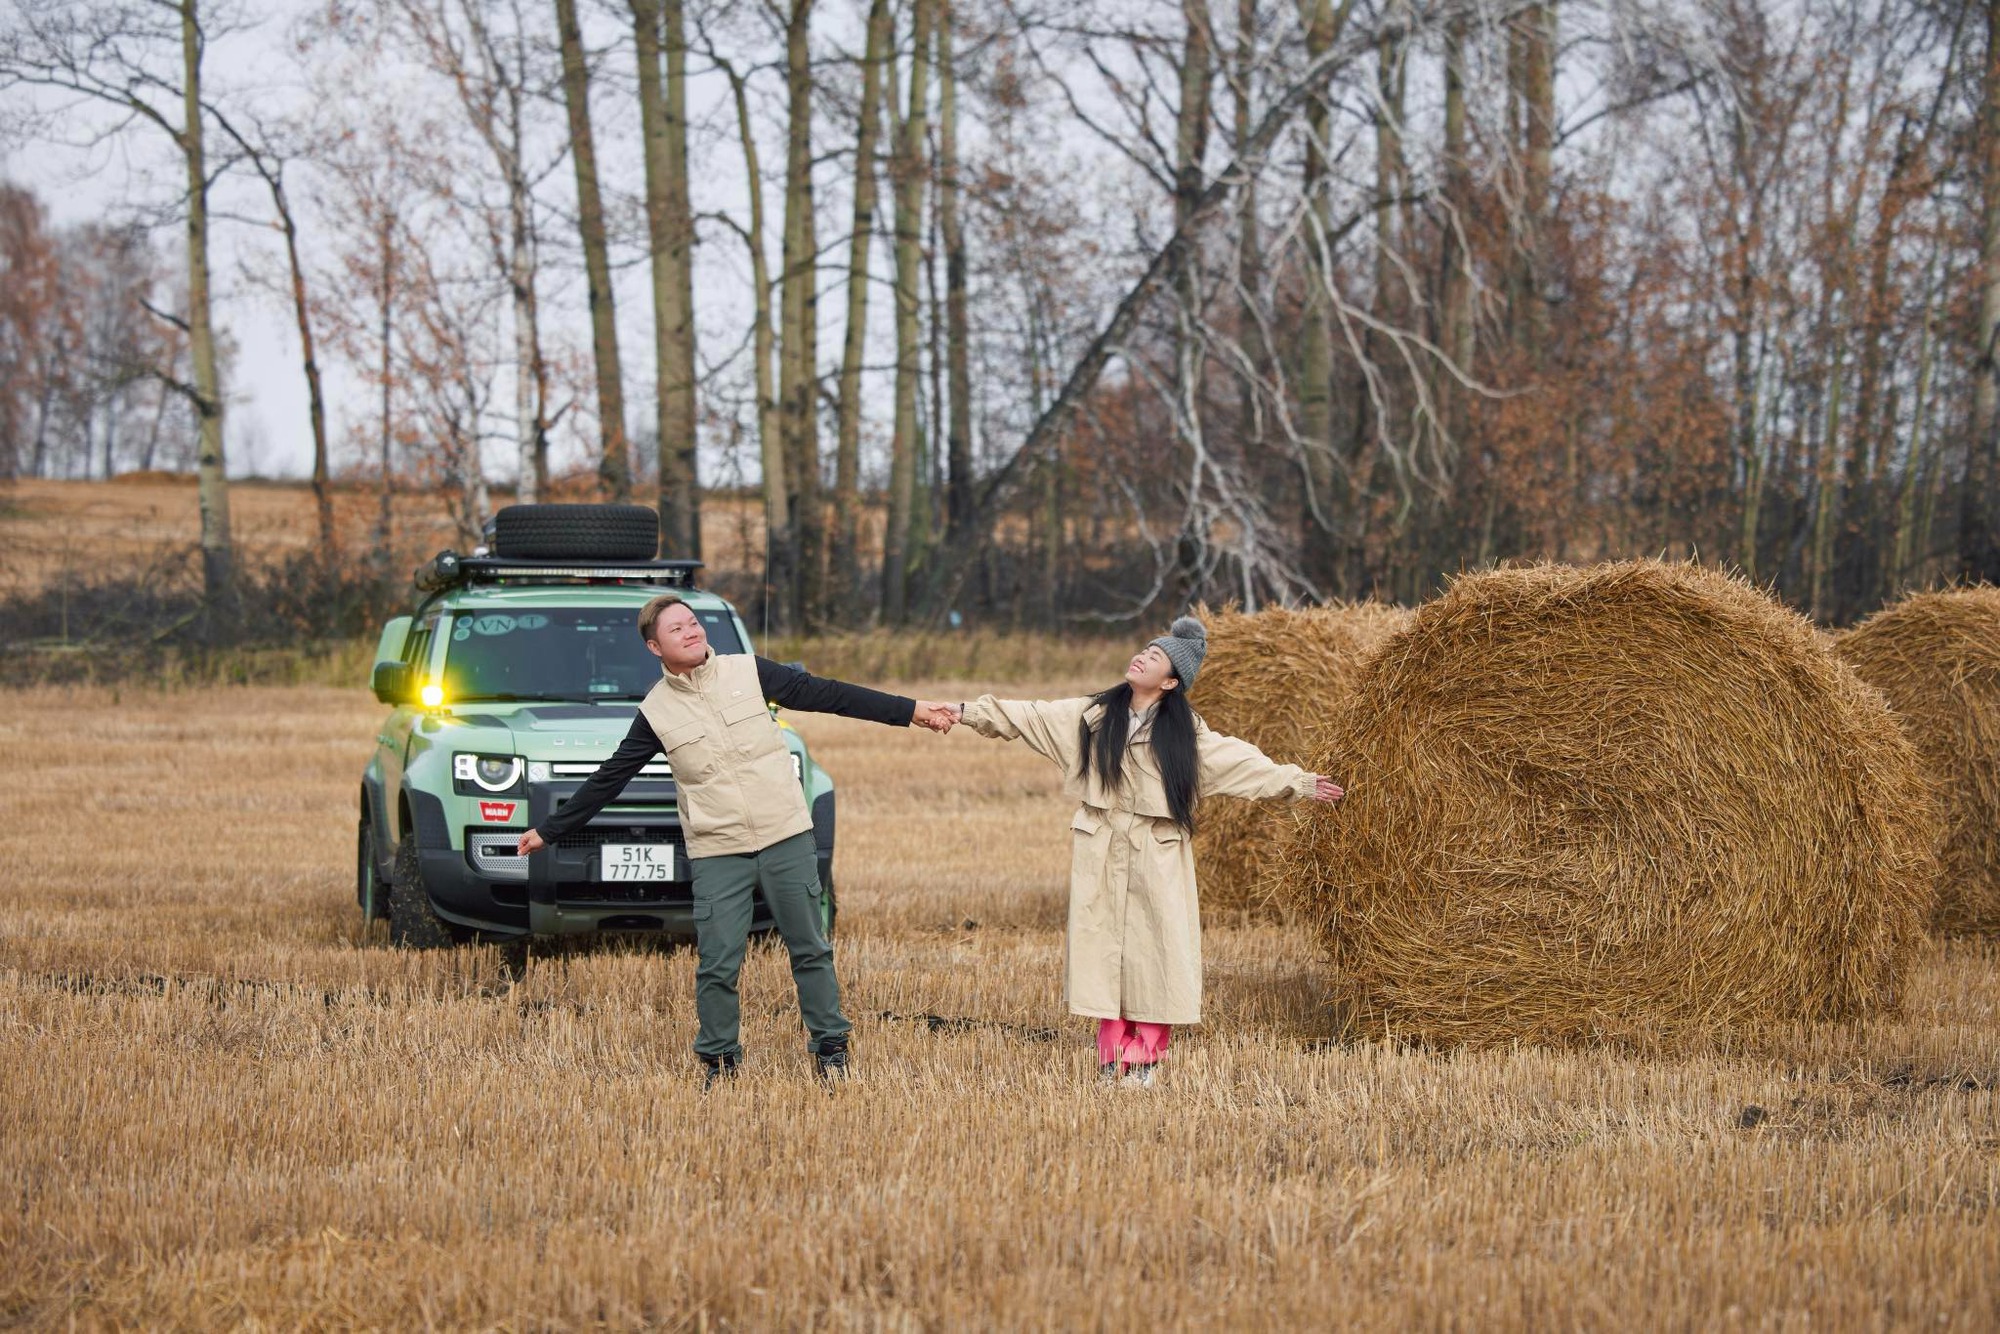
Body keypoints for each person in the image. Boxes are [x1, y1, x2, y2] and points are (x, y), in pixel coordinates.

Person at [517, 593, 958, 1086]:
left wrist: (911, 710)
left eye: (693, 622)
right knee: (718, 963)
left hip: (784, 834)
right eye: (676, 629)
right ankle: (720, 1061)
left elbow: (833, 694)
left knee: (809, 948)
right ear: (654, 647)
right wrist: (550, 830)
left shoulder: (750, 672)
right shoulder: (656, 712)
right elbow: (611, 777)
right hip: (717, 848)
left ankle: (831, 1048)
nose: (691, 631)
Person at [951, 616, 1343, 1087]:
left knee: (1156, 951)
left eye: (1155, 657)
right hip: (1100, 847)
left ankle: (1145, 1061)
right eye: (1145, 650)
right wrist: (963, 712)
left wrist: (1297, 782)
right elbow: (1029, 715)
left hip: (1156, 853)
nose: (1141, 657)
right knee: (1104, 951)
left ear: (1171, 681)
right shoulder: (1093, 717)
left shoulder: (1187, 738)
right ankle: (1110, 1058)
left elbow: (1244, 765)